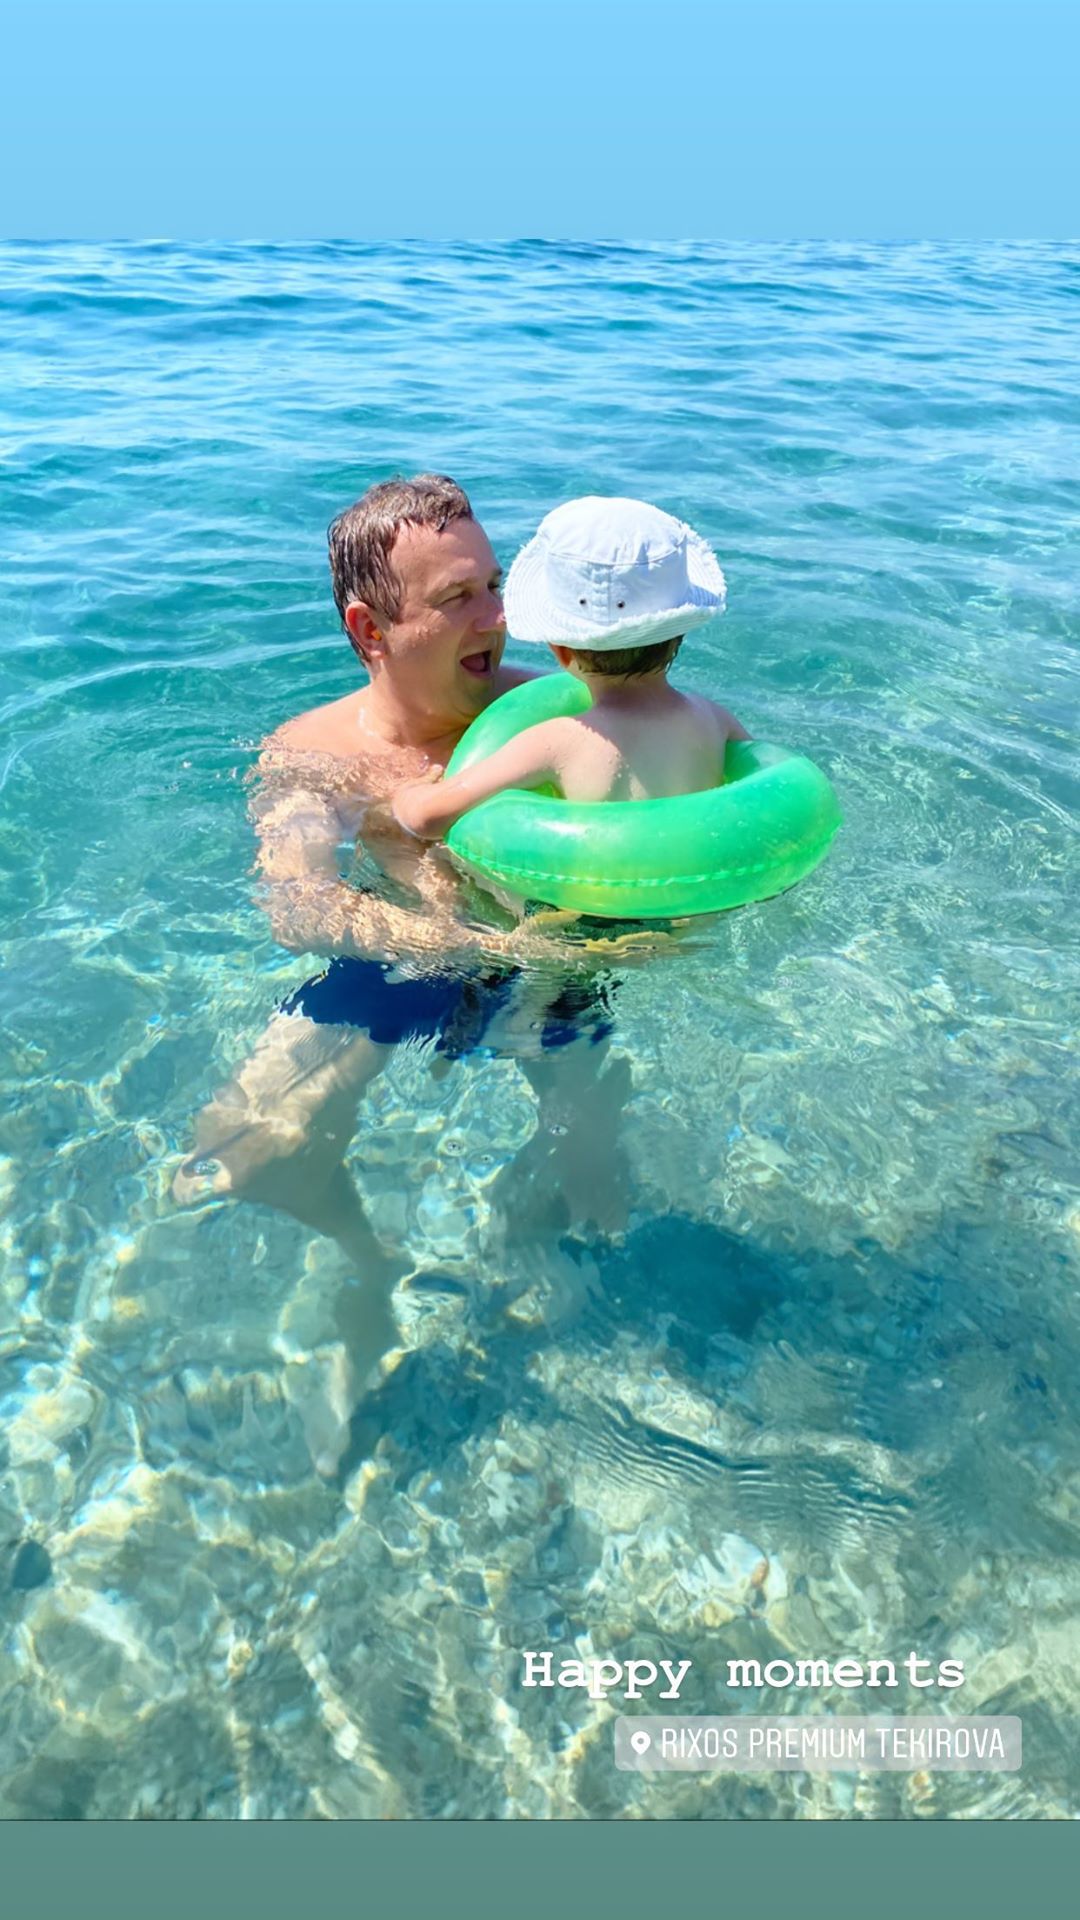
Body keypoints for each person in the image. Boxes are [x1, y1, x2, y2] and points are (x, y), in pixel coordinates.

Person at [172, 476, 640, 1465]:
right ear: (370, 627)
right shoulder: (316, 754)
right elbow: (298, 906)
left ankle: (535, 1265)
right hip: (409, 954)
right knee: (236, 1151)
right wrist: (469, 948)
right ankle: (368, 1262)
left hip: (553, 962)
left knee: (596, 1182)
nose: (497, 618)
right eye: (457, 597)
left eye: (495, 586)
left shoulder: (556, 720)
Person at [393, 497, 749, 839]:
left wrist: (407, 798)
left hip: (588, 882)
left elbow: (429, 818)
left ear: (562, 651)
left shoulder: (554, 741)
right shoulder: (713, 719)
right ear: (677, 634)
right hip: (699, 875)